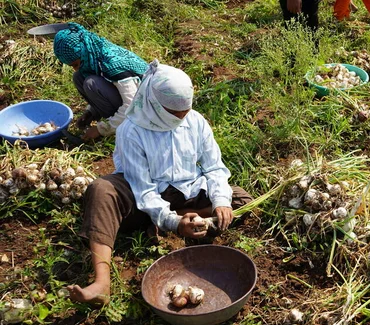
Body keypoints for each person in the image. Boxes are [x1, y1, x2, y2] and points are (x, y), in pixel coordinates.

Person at [68, 60, 253, 305]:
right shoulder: (131, 130)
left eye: (184, 111)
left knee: (241, 199)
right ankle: (102, 281)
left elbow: (214, 167)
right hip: (142, 195)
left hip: (187, 190)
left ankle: (183, 217)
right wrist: (174, 223)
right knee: (101, 190)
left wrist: (220, 201)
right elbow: (142, 189)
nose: (181, 118)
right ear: (155, 104)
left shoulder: (195, 121)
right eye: (174, 114)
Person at [53, 23, 148, 141]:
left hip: (144, 108)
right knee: (78, 77)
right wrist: (91, 111)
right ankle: (107, 118)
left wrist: (102, 129)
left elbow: (133, 106)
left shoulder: (113, 65)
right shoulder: (94, 52)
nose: (76, 68)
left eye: (76, 64)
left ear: (84, 53)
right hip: (133, 101)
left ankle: (119, 126)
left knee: (91, 83)